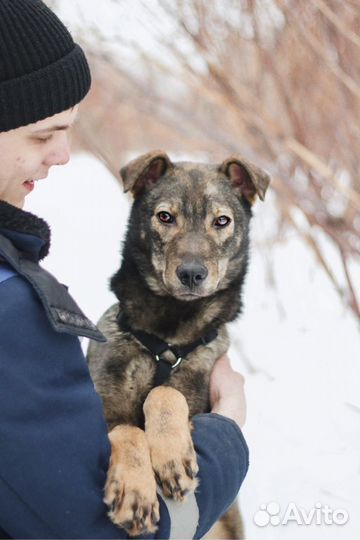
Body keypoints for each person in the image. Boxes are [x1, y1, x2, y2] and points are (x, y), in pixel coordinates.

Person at [0, 1, 249, 538]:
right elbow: (99, 523)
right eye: (42, 134)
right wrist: (226, 428)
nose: (63, 155)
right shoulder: (11, 307)